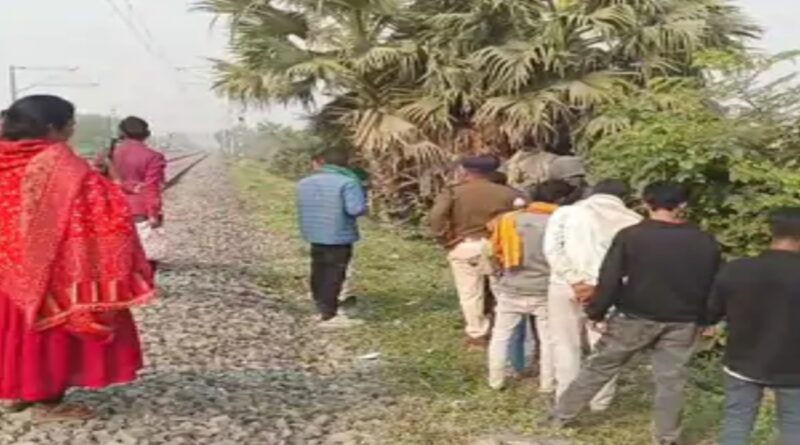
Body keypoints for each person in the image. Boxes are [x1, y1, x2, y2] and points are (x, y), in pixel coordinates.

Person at [0, 95, 154, 420]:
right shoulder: (59, 163)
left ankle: (17, 390)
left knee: (13, 329)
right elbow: (102, 205)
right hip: (50, 270)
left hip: (7, 267)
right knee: (49, 331)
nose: (72, 129)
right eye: (70, 123)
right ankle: (47, 401)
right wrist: (110, 180)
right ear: (52, 127)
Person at [546, 182, 721, 445]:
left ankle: (561, 416)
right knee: (671, 381)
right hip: (683, 320)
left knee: (600, 367)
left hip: (634, 316)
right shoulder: (704, 241)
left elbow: (611, 278)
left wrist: (597, 311)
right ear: (683, 205)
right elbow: (714, 283)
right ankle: (666, 437)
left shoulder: (632, 236)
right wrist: (708, 319)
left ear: (646, 202)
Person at [543, 179, 641, 410]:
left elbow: (552, 250)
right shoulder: (634, 220)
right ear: (625, 198)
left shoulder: (565, 213)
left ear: (593, 193)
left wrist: (575, 280)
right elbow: (633, 264)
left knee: (565, 344)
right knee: (604, 347)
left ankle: (565, 398)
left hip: (564, 286)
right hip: (609, 291)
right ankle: (600, 402)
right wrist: (599, 285)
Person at [707, 207, 800, 445]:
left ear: (772, 232)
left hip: (743, 360)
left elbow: (712, 311)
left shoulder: (737, 269)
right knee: (794, 426)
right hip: (794, 366)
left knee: (737, 422)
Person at [487, 180, 576, 391]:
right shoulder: (561, 222)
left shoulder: (508, 220)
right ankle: (547, 383)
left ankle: (495, 380)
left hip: (512, 285)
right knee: (549, 339)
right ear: (561, 199)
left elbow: (494, 252)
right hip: (545, 288)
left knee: (500, 336)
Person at [429, 155, 518, 347]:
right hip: (499, 246)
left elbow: (436, 216)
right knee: (502, 291)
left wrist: (445, 238)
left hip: (466, 244)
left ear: (466, 171)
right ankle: (505, 331)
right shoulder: (510, 193)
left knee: (470, 292)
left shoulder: (454, 192)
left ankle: (477, 334)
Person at [297, 149, 367, 328]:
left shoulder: (305, 182)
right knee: (334, 273)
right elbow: (355, 209)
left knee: (318, 269)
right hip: (338, 235)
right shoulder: (348, 182)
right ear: (345, 163)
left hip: (314, 233)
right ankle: (328, 312)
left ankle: (320, 303)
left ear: (323, 162)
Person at [111, 116, 167, 272]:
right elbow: (151, 188)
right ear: (146, 134)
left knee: (118, 256)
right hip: (139, 210)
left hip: (112, 207)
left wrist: (124, 185)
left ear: (122, 133)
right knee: (144, 258)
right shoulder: (153, 156)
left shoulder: (110, 153)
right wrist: (153, 214)